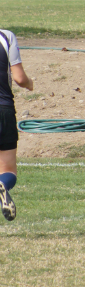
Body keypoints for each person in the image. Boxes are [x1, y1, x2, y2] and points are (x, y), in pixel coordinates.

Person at [0, 29, 33, 221]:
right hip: (3, 109)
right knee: (8, 170)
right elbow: (20, 78)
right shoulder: (6, 37)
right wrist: (30, 83)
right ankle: (2, 184)